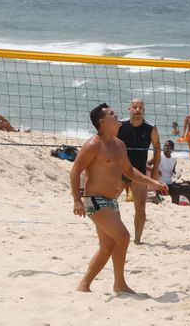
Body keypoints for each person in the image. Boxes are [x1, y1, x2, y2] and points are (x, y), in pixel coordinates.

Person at [70, 103, 168, 293]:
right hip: (95, 201)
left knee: (107, 246)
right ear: (102, 121)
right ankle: (120, 284)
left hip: (111, 202)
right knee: (123, 237)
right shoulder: (93, 144)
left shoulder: (119, 144)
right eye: (112, 114)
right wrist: (76, 200)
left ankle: (84, 286)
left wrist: (153, 183)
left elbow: (129, 171)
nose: (117, 116)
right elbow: (75, 171)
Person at [116, 98, 160, 244]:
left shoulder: (151, 128)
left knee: (140, 208)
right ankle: (116, 233)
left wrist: (154, 172)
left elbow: (157, 149)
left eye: (140, 107)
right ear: (129, 109)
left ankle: (137, 240)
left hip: (139, 173)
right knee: (110, 203)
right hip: (120, 171)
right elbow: (109, 144)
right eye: (134, 107)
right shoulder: (120, 125)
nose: (137, 110)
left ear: (144, 110)